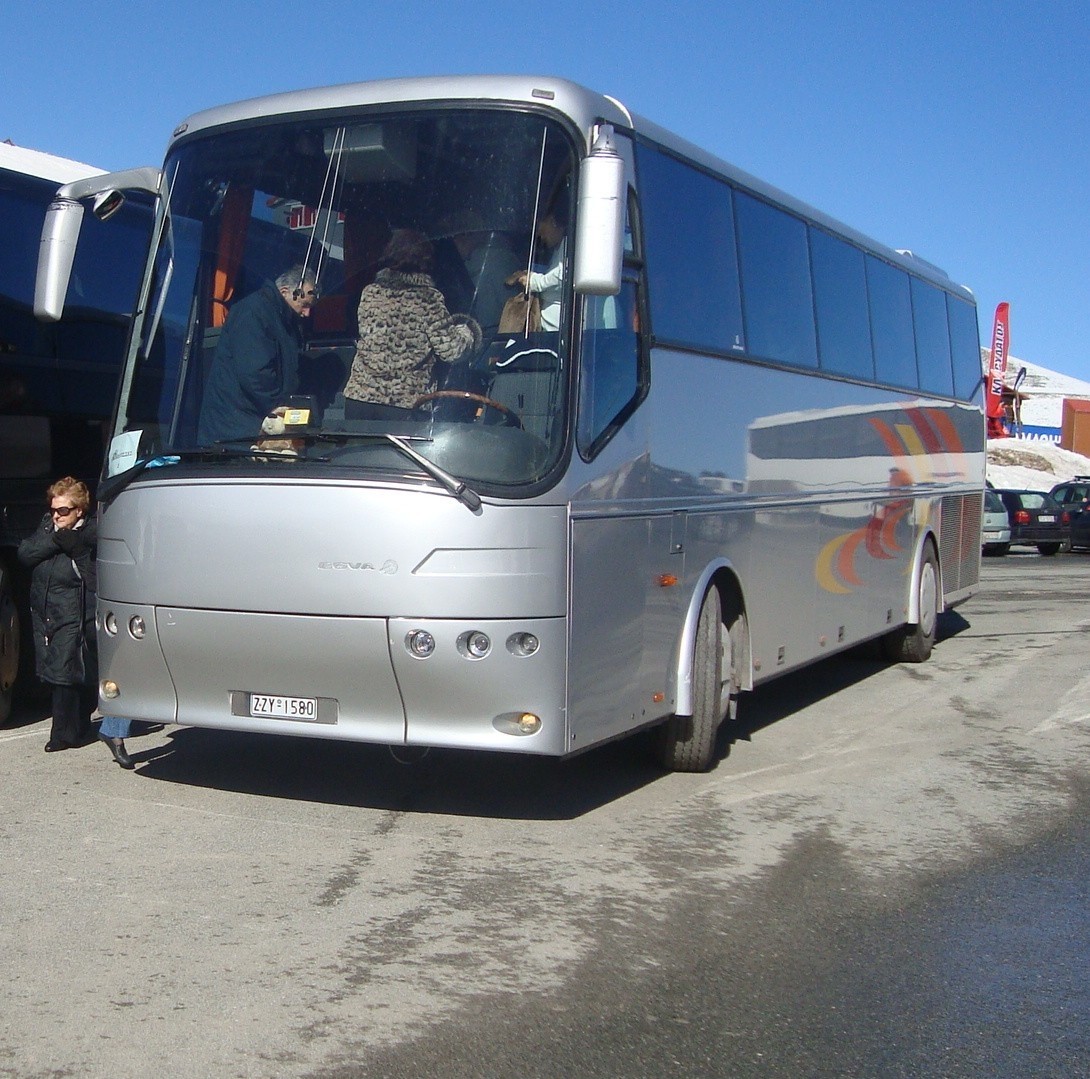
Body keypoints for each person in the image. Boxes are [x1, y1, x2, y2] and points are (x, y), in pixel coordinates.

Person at [343, 230, 481, 418]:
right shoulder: (427, 298)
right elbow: (452, 350)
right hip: (404, 406)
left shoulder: (370, 292)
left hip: (358, 401)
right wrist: (468, 330)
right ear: (427, 261)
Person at [17, 477, 98, 753]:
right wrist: (57, 541)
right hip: (45, 612)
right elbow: (26, 553)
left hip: (74, 612)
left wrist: (77, 549)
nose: (56, 516)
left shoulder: (89, 533)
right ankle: (77, 727)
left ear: (79, 510)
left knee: (64, 671)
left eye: (63, 510)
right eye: (53, 509)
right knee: (55, 670)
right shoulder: (48, 528)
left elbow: (93, 578)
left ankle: (62, 735)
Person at [197, 265, 318, 445]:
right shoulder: (254, 313)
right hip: (235, 432)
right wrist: (280, 409)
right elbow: (255, 374)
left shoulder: (282, 318)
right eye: (305, 305)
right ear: (285, 291)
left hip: (251, 423)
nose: (307, 313)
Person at [435, 211, 522, 339]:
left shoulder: (449, 270)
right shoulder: (504, 258)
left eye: (455, 236)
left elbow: (513, 310)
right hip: (492, 337)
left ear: (467, 235)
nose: (453, 242)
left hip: (486, 337)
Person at [513, 203, 568, 333]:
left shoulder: (571, 245)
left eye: (538, 225)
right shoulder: (558, 248)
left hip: (563, 337)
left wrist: (535, 282)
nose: (538, 233)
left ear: (552, 221)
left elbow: (564, 275)